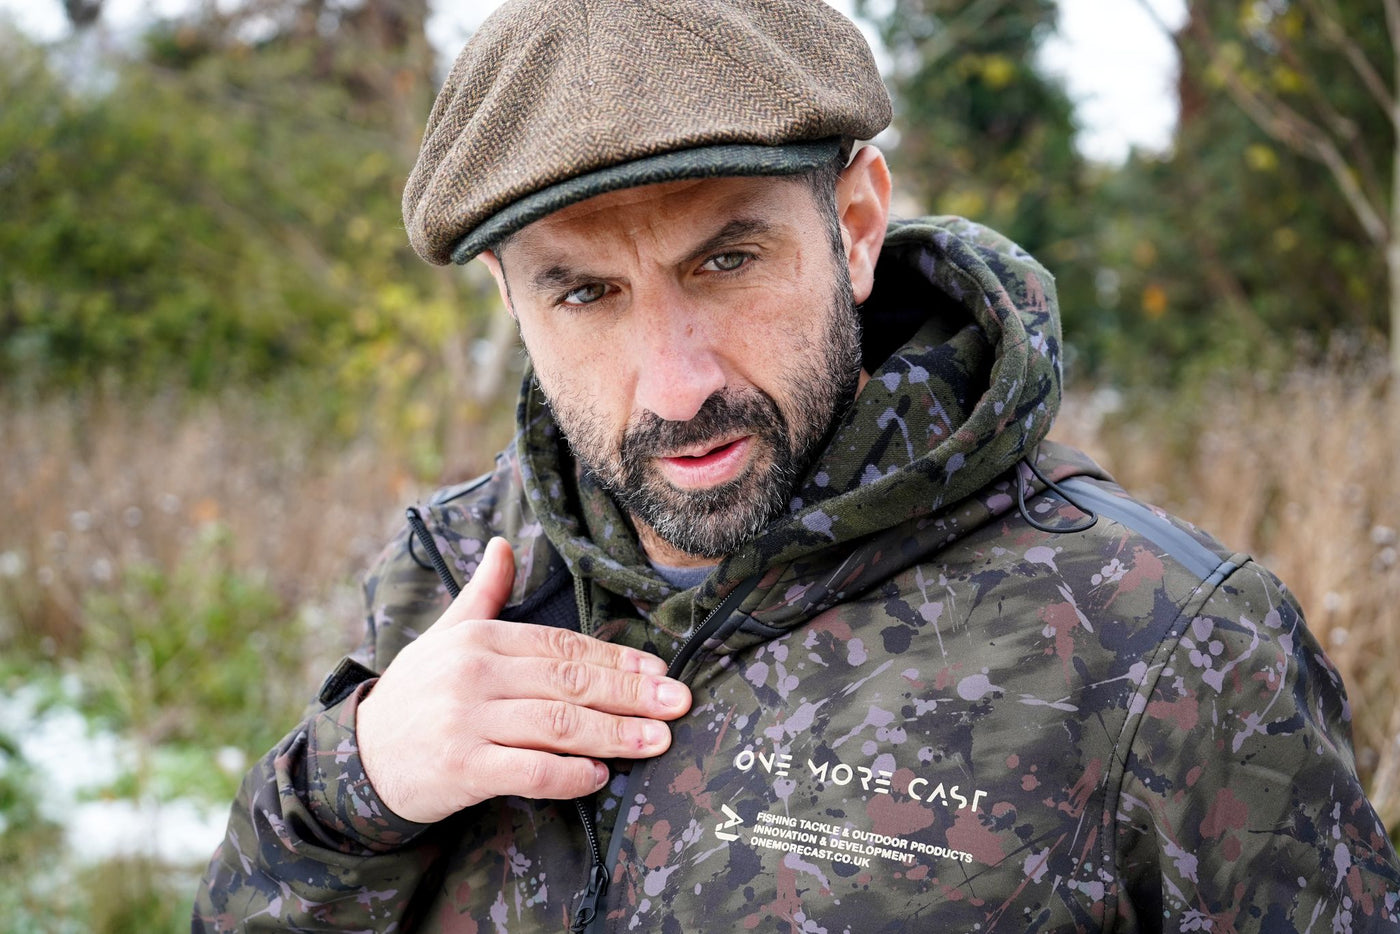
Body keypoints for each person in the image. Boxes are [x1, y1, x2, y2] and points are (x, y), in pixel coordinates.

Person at [194, 0, 1400, 930]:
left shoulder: (1159, 645)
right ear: (512, 300)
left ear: (855, 224)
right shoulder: (457, 574)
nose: (675, 386)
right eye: (586, 294)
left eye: (726, 262)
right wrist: (349, 789)